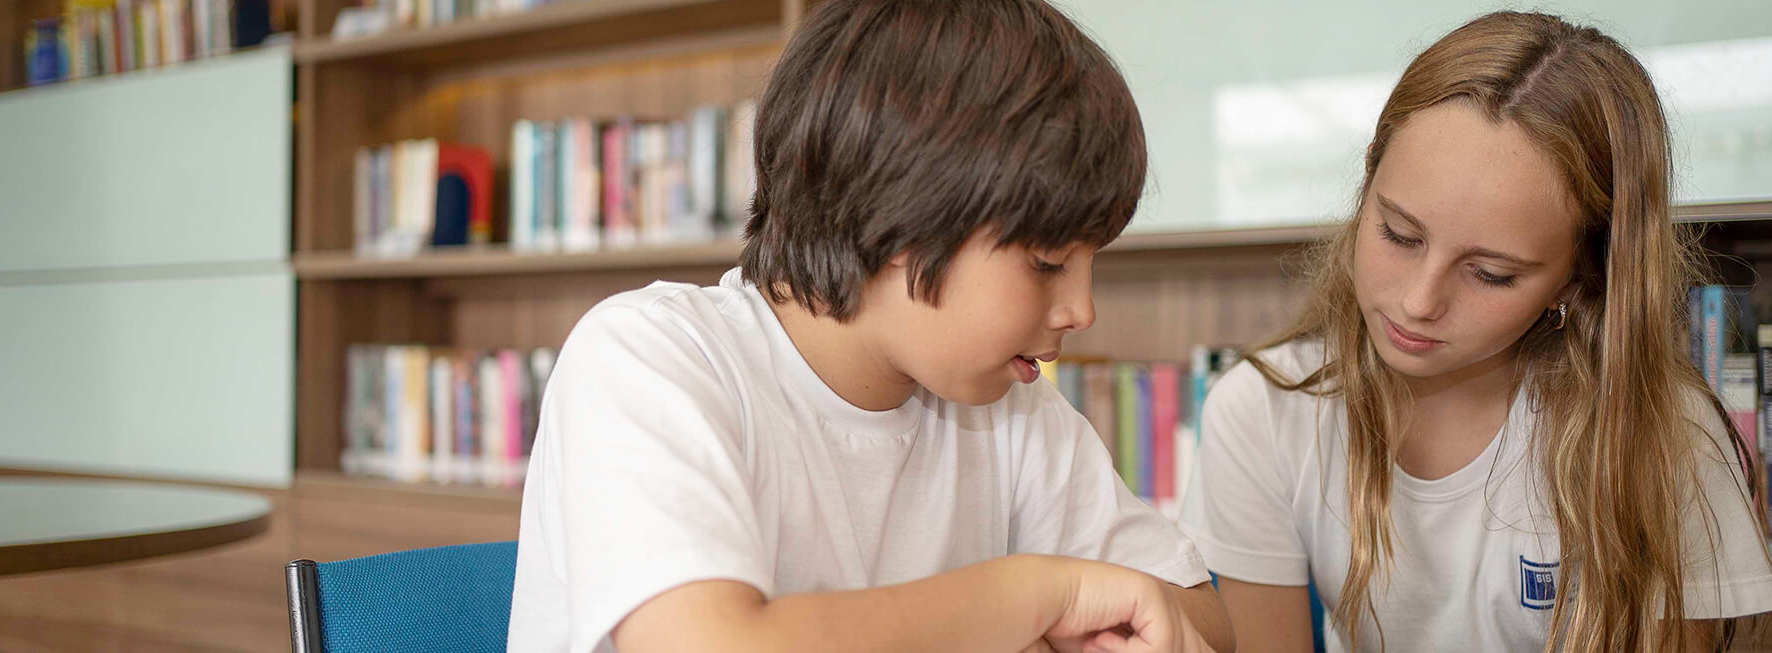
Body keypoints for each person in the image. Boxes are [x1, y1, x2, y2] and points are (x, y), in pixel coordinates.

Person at [506, 1, 1232, 652]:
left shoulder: (1013, 407)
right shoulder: (651, 356)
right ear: (897, 218)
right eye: (1046, 262)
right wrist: (1042, 595)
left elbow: (1202, 615)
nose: (1083, 309)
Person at [1179, 11, 1772, 652]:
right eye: (1399, 234)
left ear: (1579, 277)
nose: (1418, 302)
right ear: (1368, 181)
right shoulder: (1262, 410)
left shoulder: (1663, 439)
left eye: (1491, 274)